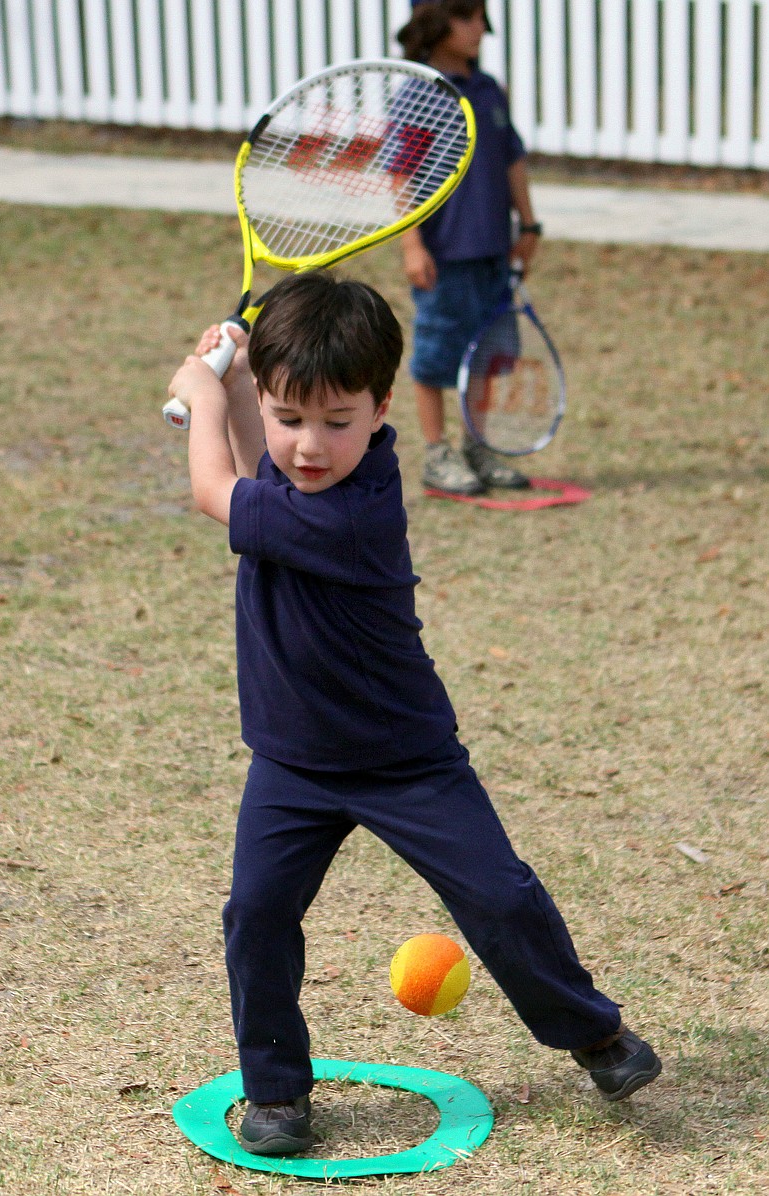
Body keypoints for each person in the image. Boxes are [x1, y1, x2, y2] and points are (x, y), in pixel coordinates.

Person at [167, 272, 661, 1157]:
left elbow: (218, 490)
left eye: (336, 421)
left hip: (405, 759)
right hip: (293, 763)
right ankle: (276, 1089)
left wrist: (207, 395)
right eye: (290, 417)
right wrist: (242, 388)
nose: (309, 445)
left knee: (500, 899)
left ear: (382, 407)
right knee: (257, 914)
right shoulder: (301, 478)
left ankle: (596, 1034)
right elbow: (255, 470)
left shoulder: (358, 508)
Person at [397, 0, 542, 495]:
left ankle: (476, 446)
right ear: (435, 24)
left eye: (481, 16)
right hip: (445, 253)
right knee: (437, 354)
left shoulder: (488, 90)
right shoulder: (419, 93)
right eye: (467, 16)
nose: (479, 28)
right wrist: (413, 245)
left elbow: (512, 158)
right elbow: (399, 174)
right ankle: (439, 455)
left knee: (486, 352)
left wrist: (529, 224)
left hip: (491, 250)